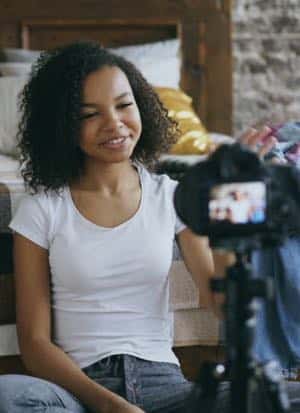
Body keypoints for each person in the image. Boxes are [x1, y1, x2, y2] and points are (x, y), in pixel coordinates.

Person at [0, 41, 299, 413]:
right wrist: (110, 406)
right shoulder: (41, 208)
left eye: (124, 105)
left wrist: (232, 200)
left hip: (167, 390)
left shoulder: (172, 196)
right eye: (89, 114)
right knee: (7, 395)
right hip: (79, 395)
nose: (114, 123)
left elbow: (221, 302)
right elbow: (34, 343)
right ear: (62, 125)